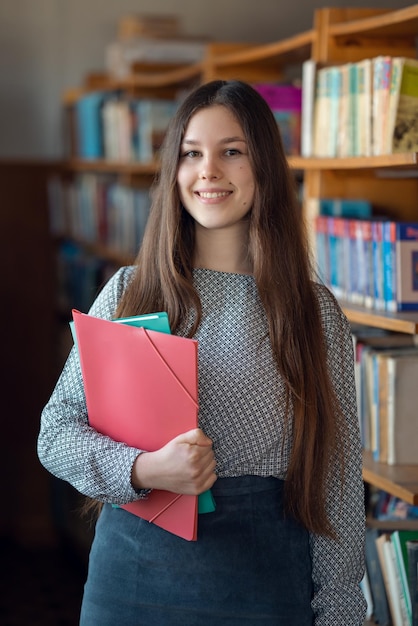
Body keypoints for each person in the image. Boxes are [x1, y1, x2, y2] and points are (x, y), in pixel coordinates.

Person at [38, 79, 367, 625]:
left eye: (231, 152)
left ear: (263, 166)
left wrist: (341, 612)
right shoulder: (128, 289)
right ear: (174, 172)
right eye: (192, 154)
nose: (208, 170)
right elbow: (55, 433)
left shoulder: (314, 312)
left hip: (263, 580)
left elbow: (335, 477)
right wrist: (144, 469)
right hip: (132, 579)